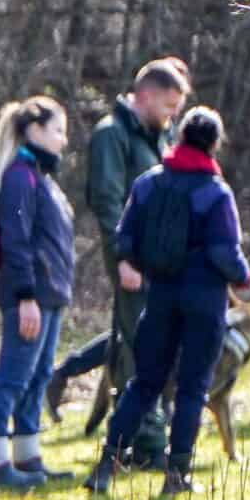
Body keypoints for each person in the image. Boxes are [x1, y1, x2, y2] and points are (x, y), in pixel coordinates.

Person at [87, 108, 250, 498]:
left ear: (178, 137)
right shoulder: (216, 192)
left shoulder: (148, 184)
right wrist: (243, 277)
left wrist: (134, 264)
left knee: (144, 383)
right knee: (193, 389)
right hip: (205, 301)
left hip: (159, 295)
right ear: (214, 144)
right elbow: (226, 252)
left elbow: (125, 237)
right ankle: (176, 475)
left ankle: (106, 464)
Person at [47, 57, 191, 460]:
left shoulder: (154, 136)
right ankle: (143, 441)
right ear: (144, 96)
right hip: (133, 260)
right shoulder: (112, 135)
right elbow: (108, 202)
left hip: (160, 262)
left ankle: (147, 432)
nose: (171, 117)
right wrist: (122, 258)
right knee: (138, 348)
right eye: (167, 107)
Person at [0, 95, 77, 490]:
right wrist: (25, 297)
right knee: (13, 376)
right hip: (30, 296)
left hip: (50, 293)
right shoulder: (20, 178)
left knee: (37, 377)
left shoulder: (42, 176)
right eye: (58, 130)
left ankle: (28, 454)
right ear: (35, 131)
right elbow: (16, 243)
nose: (63, 140)